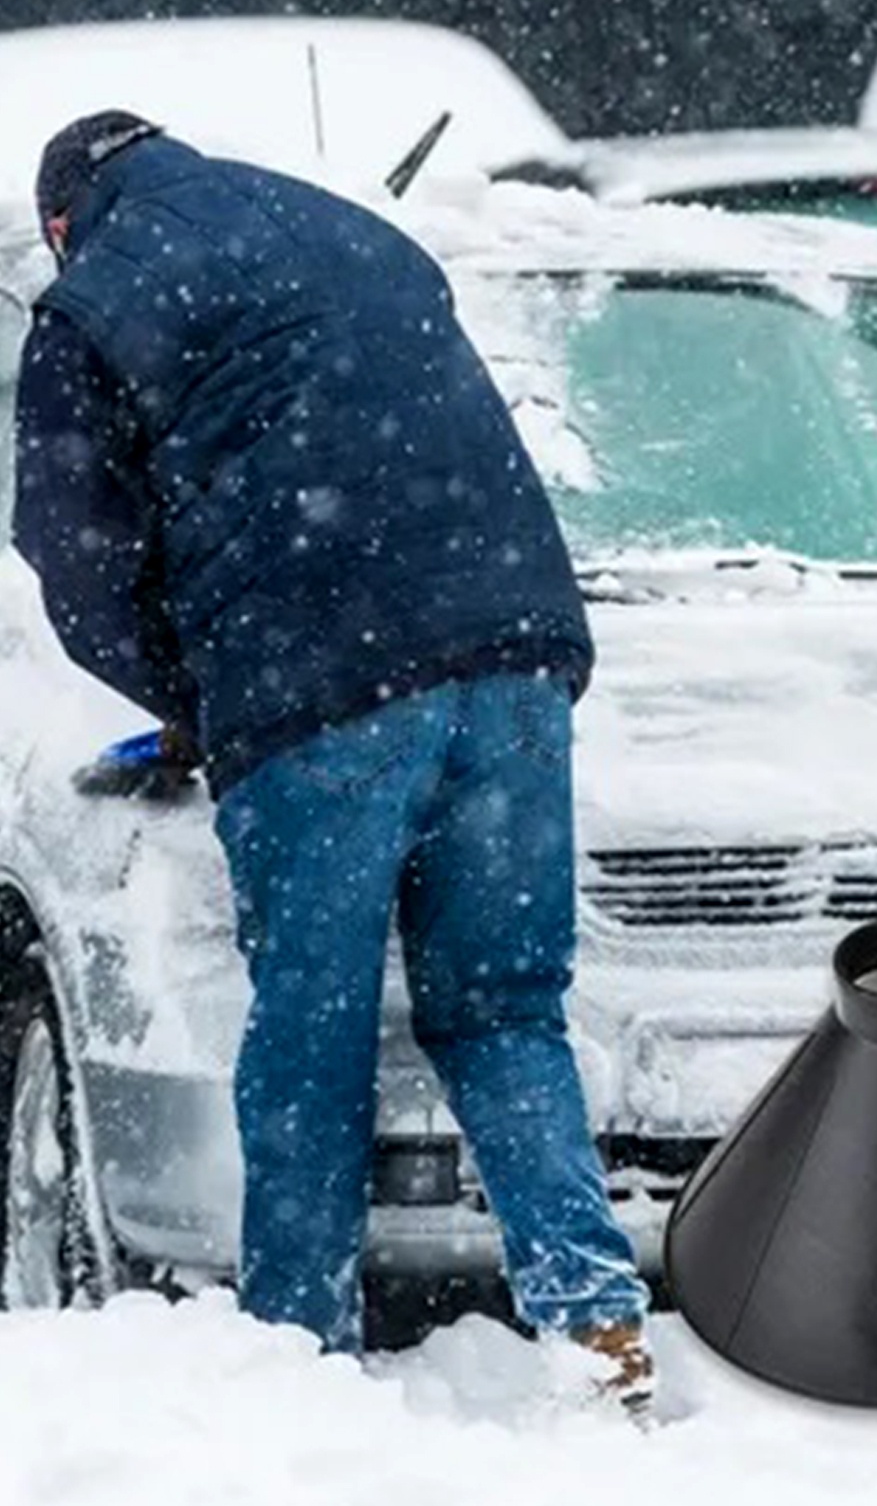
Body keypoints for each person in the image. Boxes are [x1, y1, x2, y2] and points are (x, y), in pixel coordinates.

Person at [13, 111, 652, 1412]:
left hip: (320, 691)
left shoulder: (91, 306)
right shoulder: (363, 232)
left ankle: (303, 1361)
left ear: (65, 224)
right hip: (514, 662)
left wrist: (199, 696)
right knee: (505, 1013)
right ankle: (597, 1329)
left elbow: (73, 560)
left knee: (312, 1038)